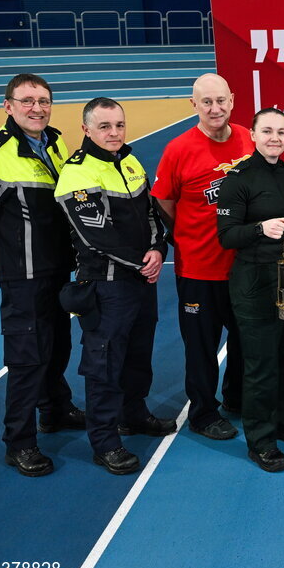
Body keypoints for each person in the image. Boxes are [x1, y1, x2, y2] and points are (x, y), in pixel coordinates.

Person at [0, 73, 85, 476]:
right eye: (27, 100)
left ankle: (54, 410)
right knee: (27, 359)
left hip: (57, 269)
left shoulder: (54, 140)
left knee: (59, 345)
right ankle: (20, 442)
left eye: (43, 100)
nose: (37, 108)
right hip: (23, 276)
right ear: (8, 105)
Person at [55, 98, 174, 475]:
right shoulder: (77, 174)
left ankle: (134, 415)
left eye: (119, 125)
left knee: (138, 355)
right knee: (104, 365)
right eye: (104, 126)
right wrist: (145, 261)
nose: (114, 133)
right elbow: (97, 237)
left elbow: (152, 213)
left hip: (140, 281)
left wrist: (157, 249)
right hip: (107, 287)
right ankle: (105, 441)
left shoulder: (130, 160)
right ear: (86, 130)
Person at [152, 73, 251, 442]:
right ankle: (203, 413)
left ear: (232, 100)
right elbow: (163, 199)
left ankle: (237, 398)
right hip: (199, 268)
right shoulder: (178, 149)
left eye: (221, 100)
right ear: (193, 105)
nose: (215, 109)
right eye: (206, 102)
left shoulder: (247, 139)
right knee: (202, 348)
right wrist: (190, 232)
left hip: (243, 267)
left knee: (245, 339)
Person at [217, 108, 284, 473]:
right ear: (253, 135)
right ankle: (261, 441)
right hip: (255, 284)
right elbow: (226, 236)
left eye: (282, 132)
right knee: (261, 365)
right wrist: (259, 228)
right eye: (268, 131)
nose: (275, 137)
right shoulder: (237, 179)